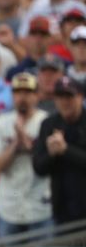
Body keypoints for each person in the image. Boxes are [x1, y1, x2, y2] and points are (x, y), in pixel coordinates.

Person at [0, 72, 53, 236]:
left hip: (40, 204)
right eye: (18, 92)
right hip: (10, 206)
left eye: (28, 92)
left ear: (37, 95)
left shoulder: (48, 122)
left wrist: (29, 144)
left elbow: (52, 161)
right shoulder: (0, 123)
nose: (23, 97)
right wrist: (16, 143)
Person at [32, 76, 86, 225]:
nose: (65, 102)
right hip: (61, 211)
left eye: (69, 96)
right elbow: (38, 168)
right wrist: (52, 154)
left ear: (80, 97)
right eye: (60, 97)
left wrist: (66, 150)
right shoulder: (49, 124)